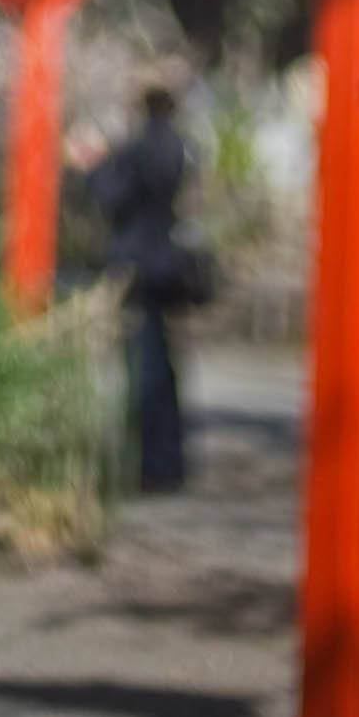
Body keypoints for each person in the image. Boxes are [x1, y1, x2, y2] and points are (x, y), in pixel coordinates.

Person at [92, 82, 202, 492]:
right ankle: (169, 459)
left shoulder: (137, 150)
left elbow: (108, 196)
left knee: (145, 366)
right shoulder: (181, 147)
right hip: (167, 264)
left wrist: (96, 165)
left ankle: (151, 463)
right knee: (165, 365)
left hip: (139, 264)